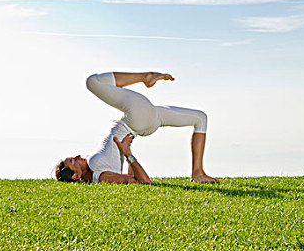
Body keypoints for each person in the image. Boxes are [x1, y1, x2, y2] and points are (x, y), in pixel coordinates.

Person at [55, 71, 219, 184]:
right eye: (73, 161)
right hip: (135, 117)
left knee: (200, 118)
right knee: (92, 82)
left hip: (145, 122)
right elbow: (143, 182)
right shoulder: (102, 177)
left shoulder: (100, 173)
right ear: (76, 176)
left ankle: (197, 173)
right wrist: (128, 154)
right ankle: (145, 77)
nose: (77, 156)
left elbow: (130, 177)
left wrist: (127, 155)